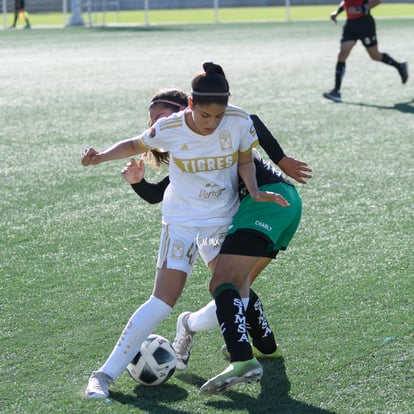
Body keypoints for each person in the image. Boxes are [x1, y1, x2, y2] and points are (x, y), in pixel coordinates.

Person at [81, 62, 289, 399]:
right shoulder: (170, 128)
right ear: (191, 106)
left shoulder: (236, 121)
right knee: (163, 299)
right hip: (179, 221)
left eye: (218, 116)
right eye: (206, 116)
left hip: (220, 221)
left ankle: (201, 331)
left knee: (237, 292)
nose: (212, 123)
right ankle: (103, 376)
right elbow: (135, 145)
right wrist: (99, 157)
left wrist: (255, 191)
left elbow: (247, 159)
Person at [122, 89, 312, 373]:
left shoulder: (221, 132)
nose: (153, 126)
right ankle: (260, 341)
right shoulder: (187, 157)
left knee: (233, 286)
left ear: (181, 112)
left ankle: (193, 326)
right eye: (150, 121)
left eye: (160, 117)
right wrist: (137, 182)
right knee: (234, 286)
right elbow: (156, 194)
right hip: (232, 220)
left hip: (259, 210)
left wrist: (281, 159)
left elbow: (254, 121)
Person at [323, 0, 408, 103]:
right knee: (342, 54)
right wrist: (337, 11)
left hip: (364, 23)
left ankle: (400, 66)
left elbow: (376, 1)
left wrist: (360, 9)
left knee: (374, 55)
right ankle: (336, 91)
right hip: (351, 24)